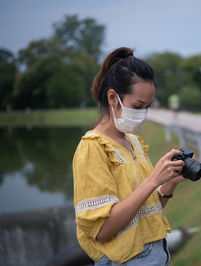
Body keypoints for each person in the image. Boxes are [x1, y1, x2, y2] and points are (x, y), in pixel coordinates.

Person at [73, 47, 186, 266]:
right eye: (138, 106)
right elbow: (103, 230)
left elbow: (144, 214)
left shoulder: (132, 142)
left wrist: (167, 185)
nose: (143, 113)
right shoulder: (93, 148)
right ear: (113, 98)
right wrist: (153, 180)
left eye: (147, 107)